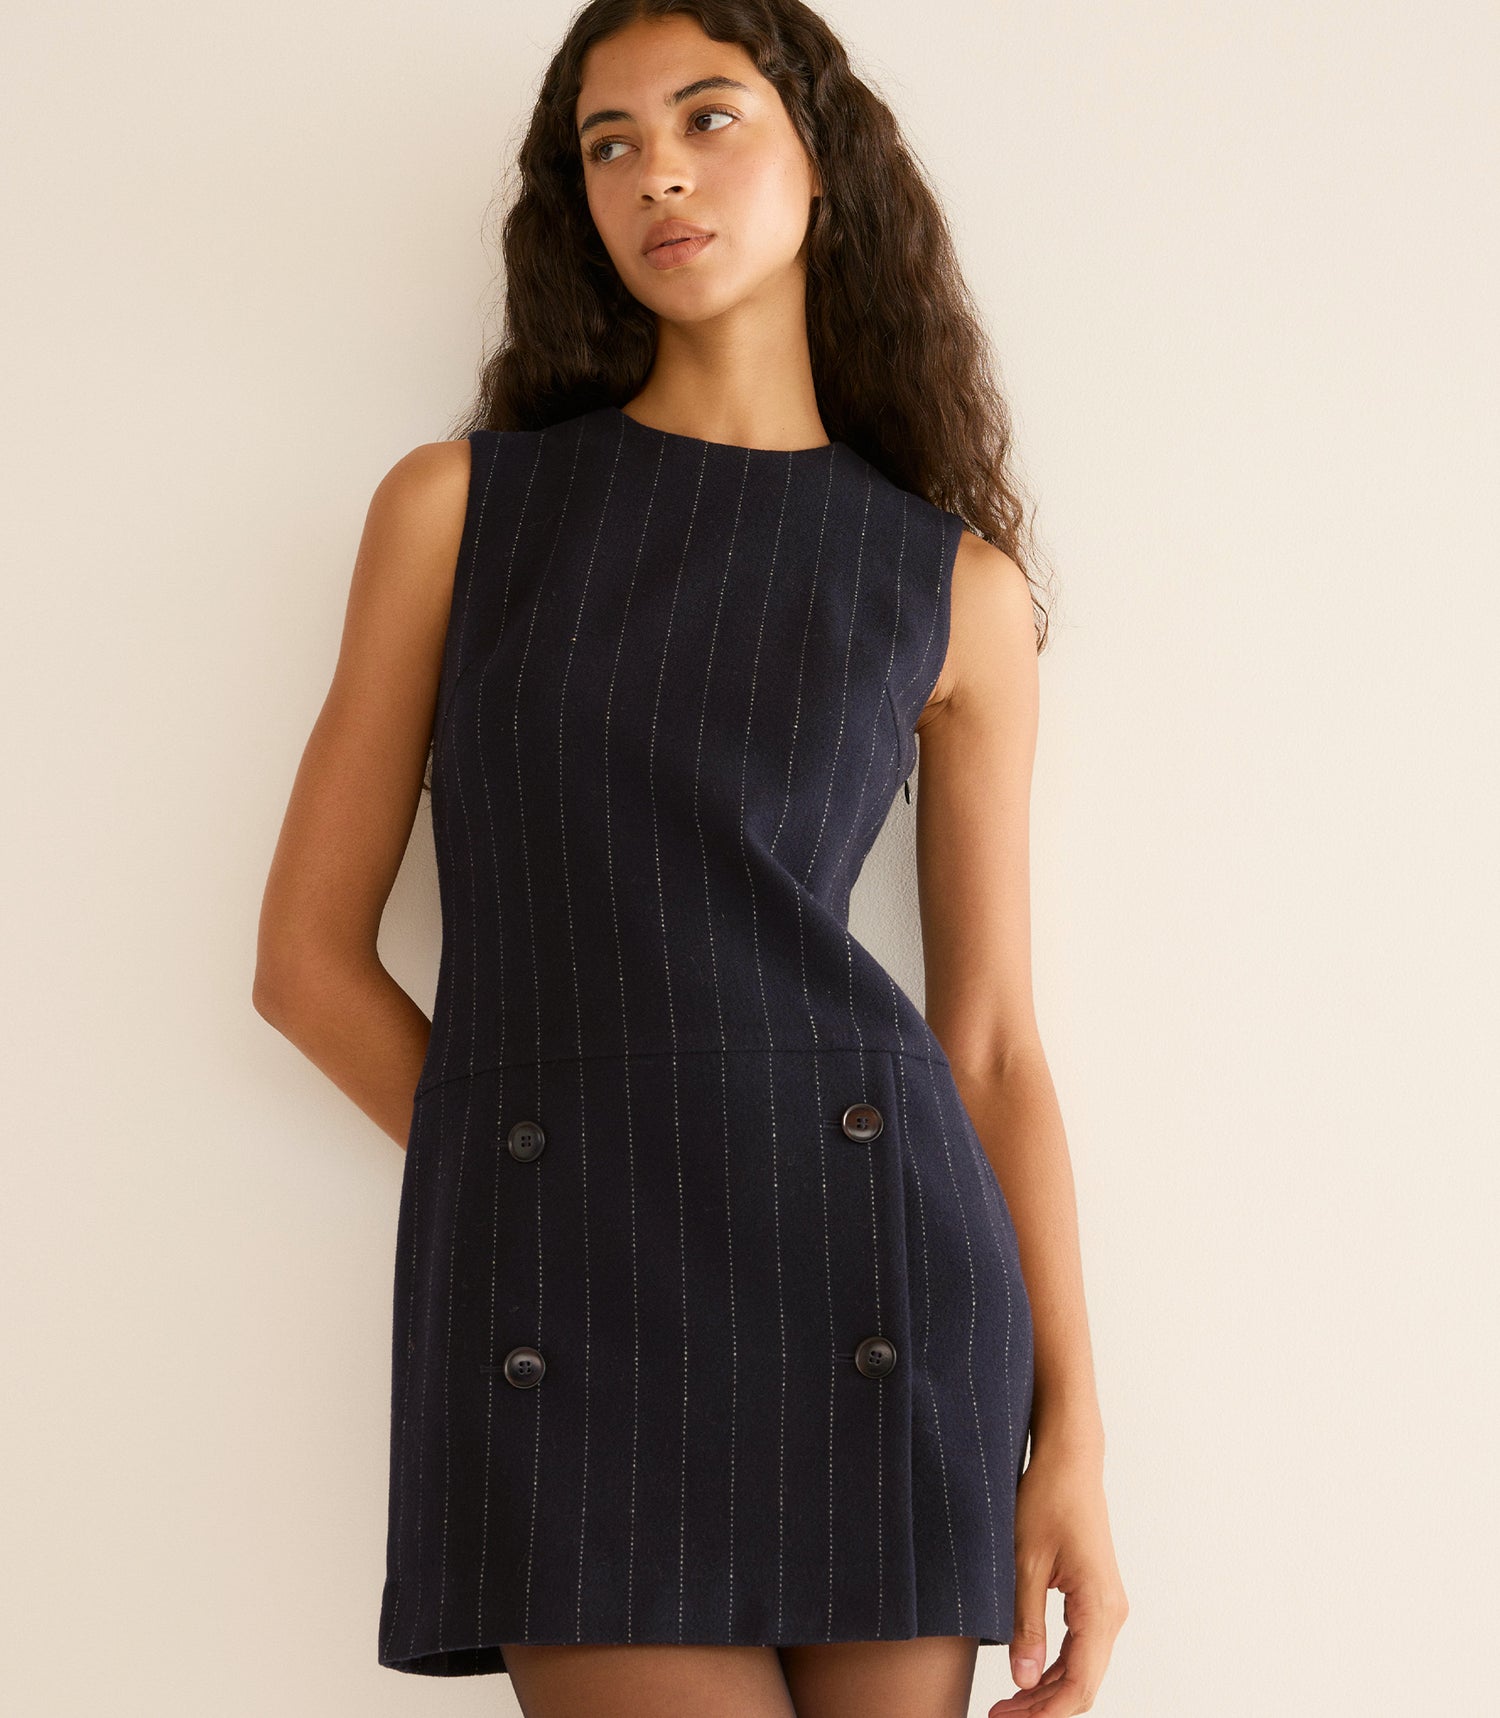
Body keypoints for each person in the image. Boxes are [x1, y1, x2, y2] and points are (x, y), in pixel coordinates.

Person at [253, 3, 1127, 1714]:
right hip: (570, 1311)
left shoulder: (955, 588)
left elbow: (997, 1043)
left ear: (825, 159)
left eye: (710, 118)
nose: (659, 170)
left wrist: (1075, 1435)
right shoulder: (461, 511)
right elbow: (304, 964)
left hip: (880, 1285)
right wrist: (548, 1179)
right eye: (610, 143)